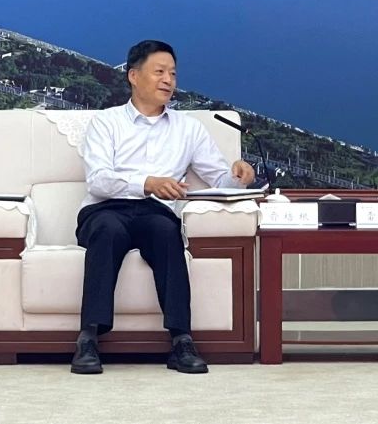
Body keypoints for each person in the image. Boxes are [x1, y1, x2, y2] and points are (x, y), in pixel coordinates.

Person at [71, 39, 256, 375]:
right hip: (105, 209)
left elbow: (218, 181)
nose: (168, 80)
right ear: (133, 76)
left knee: (167, 232)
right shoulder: (106, 122)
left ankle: (181, 340)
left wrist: (237, 175)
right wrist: (147, 183)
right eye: (159, 71)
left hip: (154, 212)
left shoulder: (189, 128)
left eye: (173, 73)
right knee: (107, 231)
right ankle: (89, 338)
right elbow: (98, 181)